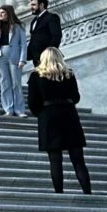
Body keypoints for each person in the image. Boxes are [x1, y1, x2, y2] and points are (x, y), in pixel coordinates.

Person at [27, 47, 92, 193]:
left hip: (48, 116)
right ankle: (87, 191)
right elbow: (76, 97)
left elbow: (32, 102)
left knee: (55, 160)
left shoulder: (36, 76)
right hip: (69, 114)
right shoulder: (68, 75)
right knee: (78, 159)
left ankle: (59, 193)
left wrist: (41, 113)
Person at [0, 3, 28, 118]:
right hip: (1, 57)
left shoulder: (18, 27)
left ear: (8, 14)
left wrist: (23, 59)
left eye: (3, 13)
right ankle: (8, 109)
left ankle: (19, 109)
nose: (0, 15)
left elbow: (23, 45)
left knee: (16, 83)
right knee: (4, 84)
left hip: (14, 57)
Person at [25, 0, 62, 70]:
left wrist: (49, 54)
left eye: (34, 5)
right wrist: (28, 54)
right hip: (36, 59)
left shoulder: (51, 17)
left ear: (41, 5)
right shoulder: (34, 21)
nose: (31, 7)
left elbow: (56, 36)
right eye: (31, 5)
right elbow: (33, 39)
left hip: (48, 59)